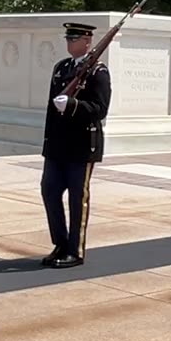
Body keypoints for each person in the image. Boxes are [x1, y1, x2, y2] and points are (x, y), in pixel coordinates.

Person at [39, 22, 112, 268]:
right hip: (58, 146)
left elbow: (99, 110)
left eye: (74, 39)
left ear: (88, 42)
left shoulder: (98, 72)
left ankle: (75, 250)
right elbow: (51, 111)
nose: (69, 42)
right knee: (49, 191)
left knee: (77, 198)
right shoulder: (61, 68)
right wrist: (48, 143)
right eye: (68, 39)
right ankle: (60, 243)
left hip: (81, 146)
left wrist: (72, 106)